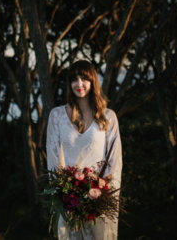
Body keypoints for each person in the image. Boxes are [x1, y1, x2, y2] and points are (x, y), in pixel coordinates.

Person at [46, 59, 123, 240]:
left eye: (84, 79)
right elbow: (53, 157)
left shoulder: (108, 117)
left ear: (93, 82)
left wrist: (103, 196)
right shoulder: (57, 116)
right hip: (69, 200)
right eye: (74, 79)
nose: (79, 84)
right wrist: (65, 193)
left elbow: (114, 161)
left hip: (99, 199)